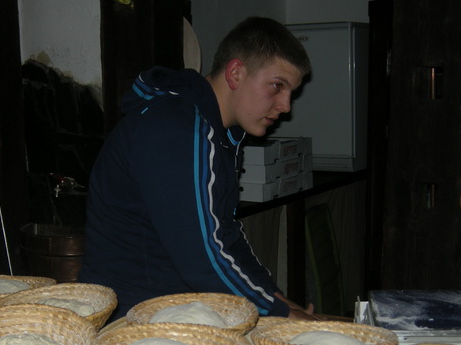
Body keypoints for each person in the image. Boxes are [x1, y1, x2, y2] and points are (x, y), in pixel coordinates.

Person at [78, 16, 317, 321]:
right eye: (277, 86)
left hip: (174, 310)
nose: (286, 105)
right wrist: (277, 312)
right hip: (133, 319)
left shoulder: (217, 132)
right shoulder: (177, 128)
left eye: (290, 92)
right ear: (236, 73)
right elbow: (202, 256)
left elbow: (225, 234)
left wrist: (278, 299)